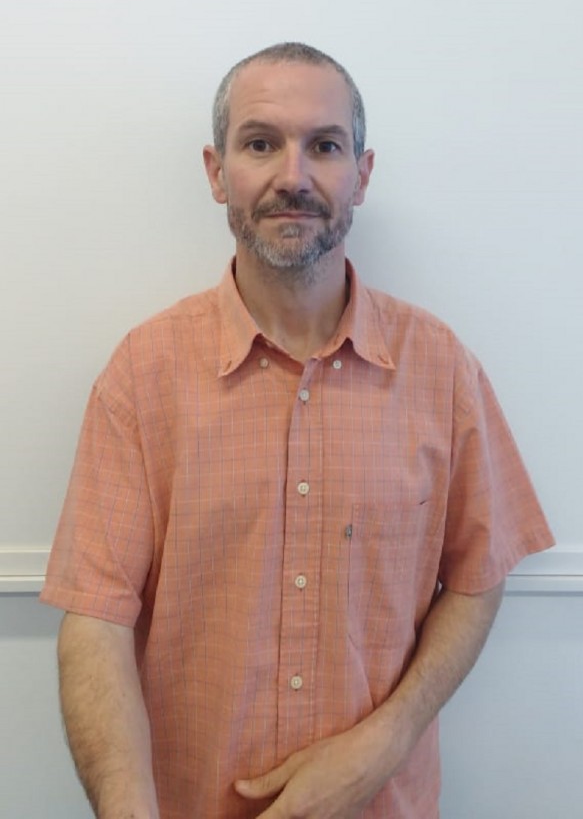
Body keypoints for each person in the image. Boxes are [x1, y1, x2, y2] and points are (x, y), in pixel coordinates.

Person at [41, 42, 554, 819]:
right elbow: (96, 617)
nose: (294, 176)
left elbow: (478, 578)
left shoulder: (441, 367)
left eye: (324, 145)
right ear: (217, 173)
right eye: (260, 143)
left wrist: (386, 741)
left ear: (363, 172)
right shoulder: (142, 375)